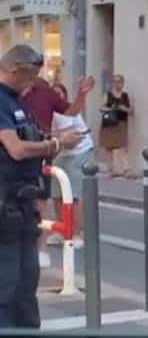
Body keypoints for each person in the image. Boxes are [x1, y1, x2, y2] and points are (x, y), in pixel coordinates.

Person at [0, 45, 83, 328]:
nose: (33, 83)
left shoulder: (15, 100)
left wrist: (54, 137)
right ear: (13, 70)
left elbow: (29, 136)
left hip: (22, 203)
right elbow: (16, 149)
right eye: (30, 76)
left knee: (26, 283)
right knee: (7, 285)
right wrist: (57, 144)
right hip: (5, 202)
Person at [19, 74, 93, 267]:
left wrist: (82, 94)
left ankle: (42, 247)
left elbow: (71, 111)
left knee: (42, 202)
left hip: (44, 153)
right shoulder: (9, 93)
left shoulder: (44, 92)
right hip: (21, 153)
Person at [44, 83, 94, 249]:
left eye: (60, 94)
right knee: (57, 193)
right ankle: (62, 229)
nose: (57, 97)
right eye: (54, 93)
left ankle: (76, 233)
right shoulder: (46, 111)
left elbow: (70, 141)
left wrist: (51, 143)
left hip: (79, 151)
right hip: (63, 153)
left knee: (72, 194)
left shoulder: (62, 113)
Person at [98, 74, 133, 179]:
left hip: (121, 123)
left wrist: (124, 108)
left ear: (123, 83)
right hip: (109, 124)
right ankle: (111, 170)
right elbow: (100, 107)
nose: (117, 84)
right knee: (109, 147)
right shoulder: (108, 95)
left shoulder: (125, 96)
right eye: (115, 81)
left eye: (119, 81)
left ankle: (126, 169)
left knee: (123, 146)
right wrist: (110, 109)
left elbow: (131, 110)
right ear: (112, 83)